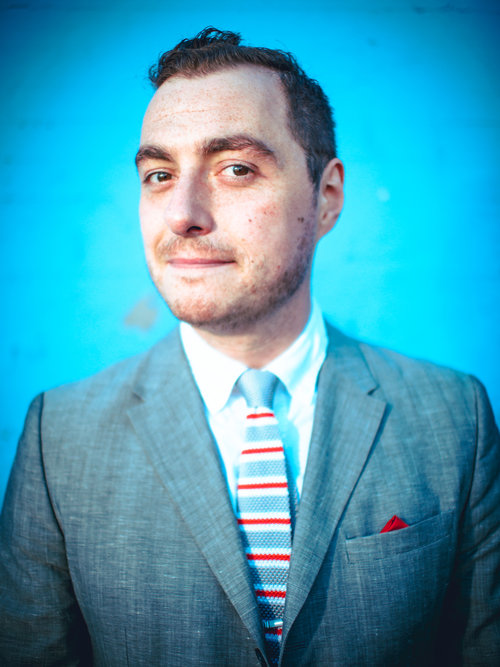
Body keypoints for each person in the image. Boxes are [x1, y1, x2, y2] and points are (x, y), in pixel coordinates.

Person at [0, 27, 499, 667]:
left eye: (235, 168)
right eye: (158, 174)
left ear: (326, 198)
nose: (182, 213)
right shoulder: (58, 439)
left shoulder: (455, 417)